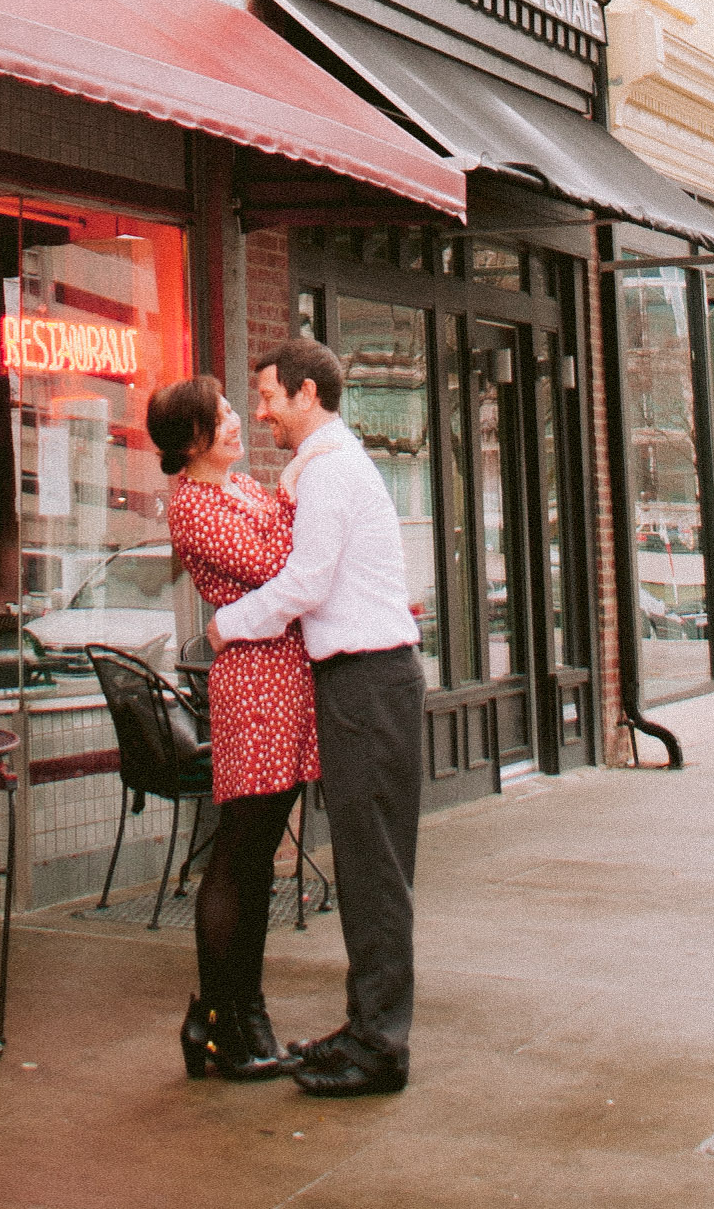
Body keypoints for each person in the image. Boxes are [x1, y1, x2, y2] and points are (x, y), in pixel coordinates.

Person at [208, 337, 423, 1098]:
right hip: (365, 682)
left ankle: (378, 1048)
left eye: (267, 397)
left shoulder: (331, 472)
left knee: (376, 871)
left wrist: (228, 624)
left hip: (367, 682)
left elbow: (306, 581)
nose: (261, 413)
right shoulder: (328, 469)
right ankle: (367, 1030)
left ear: (306, 393)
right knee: (369, 866)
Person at [146, 370, 317, 1082]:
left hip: (283, 680)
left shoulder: (239, 489)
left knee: (255, 856)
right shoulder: (192, 507)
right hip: (254, 687)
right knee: (239, 856)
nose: (235, 423)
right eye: (219, 418)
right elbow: (284, 558)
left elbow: (292, 533)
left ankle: (238, 1017)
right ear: (191, 441)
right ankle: (225, 1021)